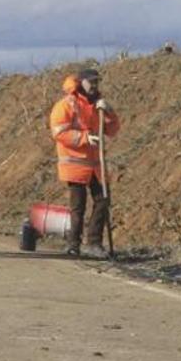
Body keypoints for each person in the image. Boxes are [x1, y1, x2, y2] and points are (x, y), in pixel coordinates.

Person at [49, 69, 119, 259]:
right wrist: (85, 138)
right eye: (91, 81)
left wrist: (110, 111)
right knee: (77, 206)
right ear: (81, 83)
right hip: (75, 164)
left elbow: (112, 130)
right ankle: (73, 244)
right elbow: (59, 132)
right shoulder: (66, 105)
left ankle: (94, 243)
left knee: (103, 201)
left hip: (96, 166)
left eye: (97, 81)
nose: (94, 85)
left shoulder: (98, 106)